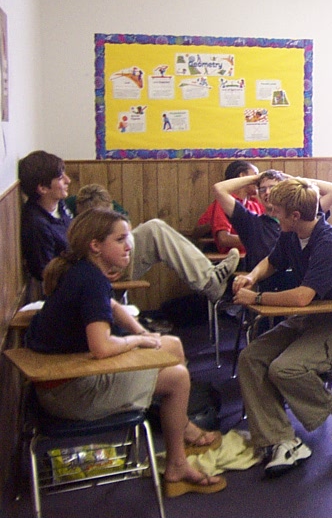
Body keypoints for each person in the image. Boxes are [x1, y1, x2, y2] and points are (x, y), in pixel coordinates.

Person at [25, 209, 226, 497]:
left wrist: (142, 332)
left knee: (170, 345)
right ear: (96, 245)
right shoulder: (90, 280)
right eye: (120, 239)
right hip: (70, 396)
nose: (129, 246)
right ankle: (178, 463)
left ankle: (182, 427)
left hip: (56, 383)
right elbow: (101, 347)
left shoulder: (79, 269)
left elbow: (112, 306)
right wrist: (137, 340)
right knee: (177, 378)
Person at [233, 177, 332, 478]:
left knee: (284, 369)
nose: (272, 215)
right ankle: (282, 440)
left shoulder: (329, 242)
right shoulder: (291, 235)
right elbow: (272, 262)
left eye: (277, 211)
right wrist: (252, 277)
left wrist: (256, 297)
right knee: (251, 358)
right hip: (309, 320)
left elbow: (302, 297)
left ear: (295, 215)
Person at [68, 183, 240, 303]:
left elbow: (123, 224)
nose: (67, 181)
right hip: (92, 268)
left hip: (112, 261)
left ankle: (209, 280)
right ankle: (210, 281)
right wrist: (94, 271)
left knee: (154, 228)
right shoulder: (68, 220)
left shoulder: (65, 206)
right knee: (148, 231)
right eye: (62, 178)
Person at [212, 169, 332, 289]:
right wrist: (256, 178)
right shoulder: (252, 222)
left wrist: (293, 181)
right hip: (269, 287)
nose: (267, 192)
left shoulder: (300, 219)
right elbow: (219, 189)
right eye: (262, 189)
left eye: (273, 187)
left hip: (303, 287)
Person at [19, 151, 73, 286]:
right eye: (60, 178)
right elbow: (46, 273)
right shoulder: (37, 224)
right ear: (43, 188)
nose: (68, 180)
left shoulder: (59, 204)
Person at [197, 160, 264, 254]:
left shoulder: (255, 205)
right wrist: (260, 239)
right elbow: (224, 239)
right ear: (242, 176)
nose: (259, 181)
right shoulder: (223, 204)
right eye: (255, 176)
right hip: (237, 257)